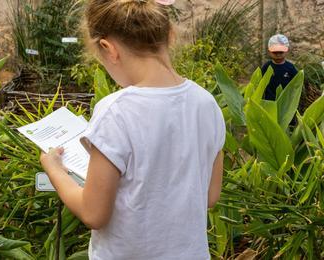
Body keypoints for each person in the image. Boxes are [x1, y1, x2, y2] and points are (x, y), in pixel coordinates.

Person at [40, 0, 225, 259]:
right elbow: (210, 196)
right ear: (169, 35)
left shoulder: (116, 111)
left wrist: (54, 169)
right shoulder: (207, 103)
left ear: (109, 48)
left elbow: (94, 214)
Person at [261, 34, 298, 100]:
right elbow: (260, 85)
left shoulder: (291, 68)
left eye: (281, 52)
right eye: (275, 52)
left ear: (287, 51)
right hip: (269, 103)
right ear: (269, 52)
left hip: (285, 102)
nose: (278, 55)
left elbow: (296, 85)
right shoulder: (266, 67)